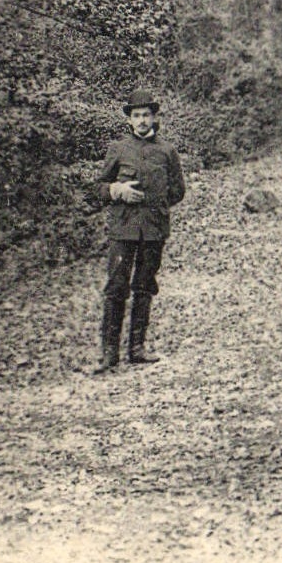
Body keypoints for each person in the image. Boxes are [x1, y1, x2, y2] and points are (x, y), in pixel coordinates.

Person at [92, 87, 186, 374]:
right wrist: (117, 190)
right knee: (116, 287)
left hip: (154, 230)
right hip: (123, 229)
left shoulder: (167, 151)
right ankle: (110, 353)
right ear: (129, 120)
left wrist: (155, 206)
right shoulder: (118, 149)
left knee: (145, 286)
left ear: (154, 117)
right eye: (137, 115)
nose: (142, 120)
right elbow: (97, 189)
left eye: (146, 114)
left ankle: (137, 348)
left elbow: (178, 191)